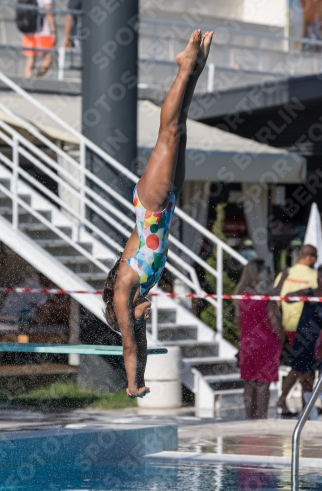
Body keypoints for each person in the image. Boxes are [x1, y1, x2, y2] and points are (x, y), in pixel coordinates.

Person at [103, 30, 214, 398]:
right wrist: (144, 375)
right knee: (180, 133)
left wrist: (133, 384)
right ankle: (195, 69)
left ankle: (183, 67)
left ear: (127, 314)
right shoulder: (141, 291)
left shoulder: (125, 291)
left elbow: (131, 346)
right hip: (167, 206)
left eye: (141, 320)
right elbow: (142, 343)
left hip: (150, 205)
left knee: (167, 134)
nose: (147, 319)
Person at [234, 259, 285, 420]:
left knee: (249, 383)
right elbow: (275, 322)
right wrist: (283, 339)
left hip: (248, 343)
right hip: (267, 344)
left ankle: (249, 418)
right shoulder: (266, 297)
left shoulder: (241, 294)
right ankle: (261, 418)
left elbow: (237, 321)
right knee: (263, 384)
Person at [275, 244, 318, 416]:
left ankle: (293, 401)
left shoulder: (286, 274)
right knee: (305, 367)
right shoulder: (314, 276)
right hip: (306, 326)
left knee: (298, 366)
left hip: (286, 325)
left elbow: (277, 299)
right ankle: (306, 405)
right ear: (310, 258)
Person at [286, 263, 322, 419]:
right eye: (317, 276)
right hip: (306, 341)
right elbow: (288, 299)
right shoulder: (309, 292)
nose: (318, 279)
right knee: (306, 377)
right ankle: (307, 413)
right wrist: (302, 296)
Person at [22, 0, 56, 78]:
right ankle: (37, 79)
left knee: (30, 61)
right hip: (43, 31)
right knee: (48, 58)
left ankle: (27, 85)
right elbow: (48, 13)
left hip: (28, 31)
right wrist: (53, 31)